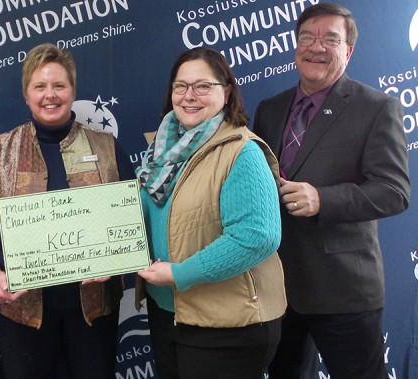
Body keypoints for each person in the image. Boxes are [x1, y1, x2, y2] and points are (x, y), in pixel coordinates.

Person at [252, 3, 410, 378]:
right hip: (279, 287)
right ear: (294, 46)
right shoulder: (269, 109)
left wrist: (323, 199)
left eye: (330, 39)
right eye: (307, 37)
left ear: (348, 50)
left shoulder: (377, 108)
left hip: (344, 289)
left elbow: (394, 191)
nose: (316, 47)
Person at [0, 43, 135, 379]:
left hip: (94, 308)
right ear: (26, 94)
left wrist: (116, 259)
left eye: (59, 85)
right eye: (40, 86)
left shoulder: (105, 146)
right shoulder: (3, 149)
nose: (50, 95)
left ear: (72, 91)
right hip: (24, 311)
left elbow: (133, 215)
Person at [135, 47, 286, 379]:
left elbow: (257, 237)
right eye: (180, 86)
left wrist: (180, 274)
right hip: (168, 314)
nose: (190, 96)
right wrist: (106, 258)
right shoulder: (161, 151)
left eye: (203, 86)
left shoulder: (241, 151)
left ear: (227, 91)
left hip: (227, 325)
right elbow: (139, 221)